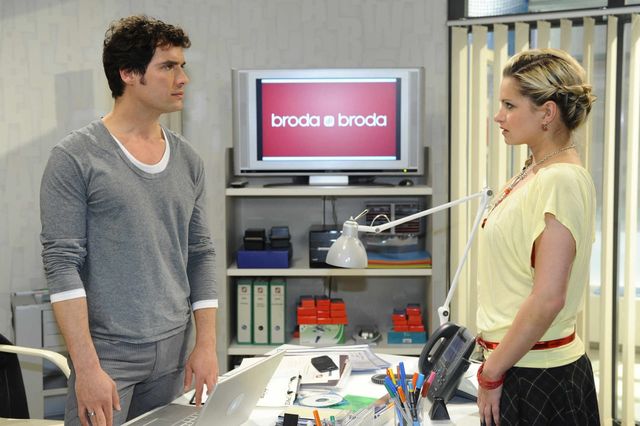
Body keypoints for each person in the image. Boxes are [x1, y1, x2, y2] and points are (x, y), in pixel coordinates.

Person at [39, 15, 218, 426]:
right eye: (168, 66)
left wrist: (206, 343)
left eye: (182, 66)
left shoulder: (188, 159)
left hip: (174, 351)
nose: (183, 78)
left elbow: (201, 253)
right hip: (107, 356)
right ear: (129, 74)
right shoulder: (74, 158)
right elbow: (62, 264)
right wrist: (87, 368)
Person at [476, 48, 599, 425]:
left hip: (537, 374)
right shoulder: (533, 170)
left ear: (547, 113)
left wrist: (491, 372)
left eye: (509, 105)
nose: (498, 116)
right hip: (516, 362)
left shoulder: (560, 180)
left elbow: (548, 298)